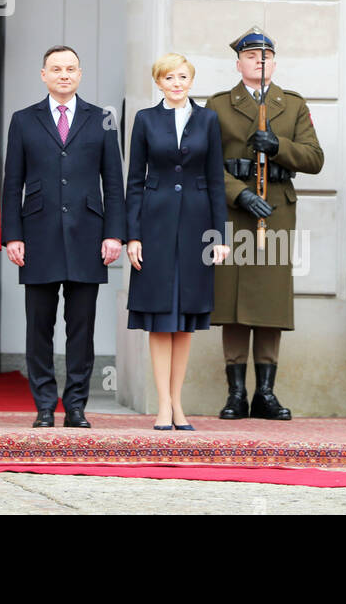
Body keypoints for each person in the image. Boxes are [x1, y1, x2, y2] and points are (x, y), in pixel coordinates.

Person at [2, 46, 124, 428]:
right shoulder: (24, 120)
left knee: (81, 328)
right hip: (37, 235)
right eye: (56, 69)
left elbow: (114, 183)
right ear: (43, 75)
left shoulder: (102, 119)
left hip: (89, 235)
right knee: (39, 327)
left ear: (80, 74)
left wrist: (114, 234)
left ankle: (75, 406)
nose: (64, 75)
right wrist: (12, 235)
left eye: (71, 68)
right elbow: (12, 184)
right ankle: (42, 404)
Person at [209, 27, 324, 420]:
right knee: (233, 300)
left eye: (267, 56)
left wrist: (278, 147)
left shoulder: (291, 105)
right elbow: (205, 165)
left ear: (275, 62)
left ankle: (267, 393)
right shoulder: (219, 105)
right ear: (238, 62)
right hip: (236, 209)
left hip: (275, 209)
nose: (260, 61)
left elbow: (313, 158)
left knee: (270, 302)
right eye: (252, 55)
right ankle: (237, 393)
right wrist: (238, 193)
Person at [125, 54, 229, 431]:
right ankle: (163, 406)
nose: (177, 83)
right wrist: (132, 235)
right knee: (159, 316)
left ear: (191, 80)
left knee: (186, 317)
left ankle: (178, 403)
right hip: (154, 222)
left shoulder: (208, 119)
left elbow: (216, 179)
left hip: (198, 223)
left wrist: (220, 235)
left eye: (183, 76)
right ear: (159, 82)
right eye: (169, 77)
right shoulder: (145, 120)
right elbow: (134, 179)